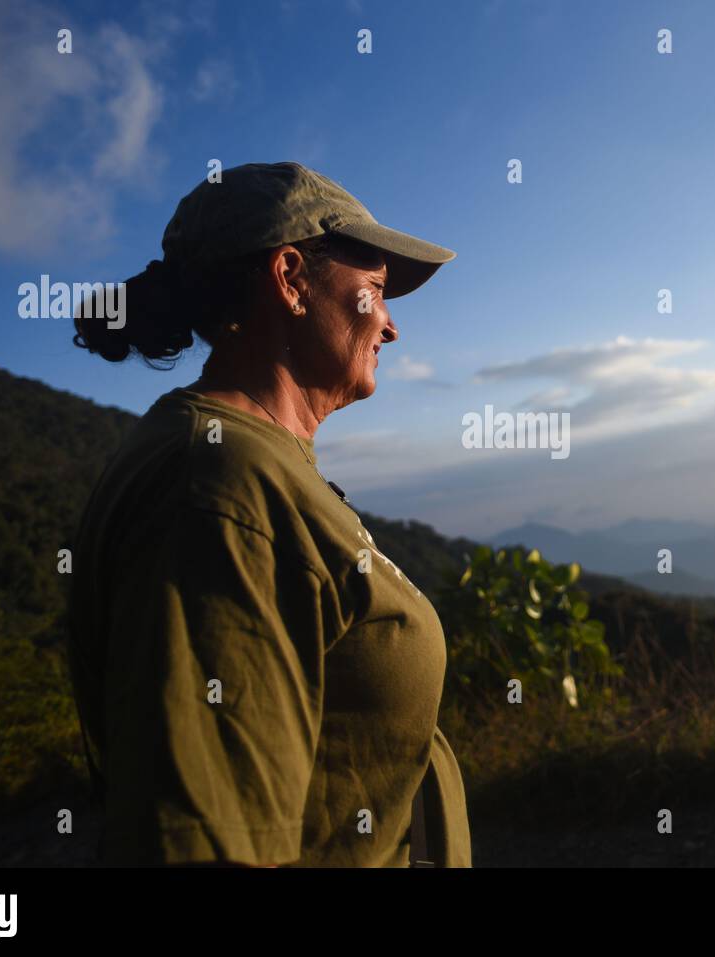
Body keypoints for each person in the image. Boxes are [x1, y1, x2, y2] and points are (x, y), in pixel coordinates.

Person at [65, 161, 470, 867]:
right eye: (373, 292)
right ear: (290, 279)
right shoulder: (219, 486)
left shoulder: (254, 466)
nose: (393, 327)